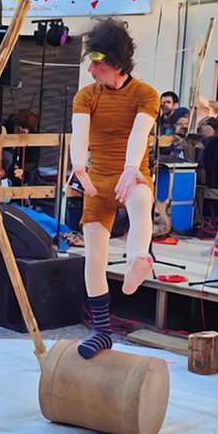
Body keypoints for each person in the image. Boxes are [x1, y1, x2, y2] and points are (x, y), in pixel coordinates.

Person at [69, 18, 161, 360]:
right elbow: (79, 135)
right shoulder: (87, 95)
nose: (91, 70)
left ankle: (139, 258)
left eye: (97, 63)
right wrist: (79, 168)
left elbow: (140, 135)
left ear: (116, 64)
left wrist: (130, 169)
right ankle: (102, 331)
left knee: (140, 201)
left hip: (130, 175)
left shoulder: (145, 94)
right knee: (93, 257)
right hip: (96, 182)